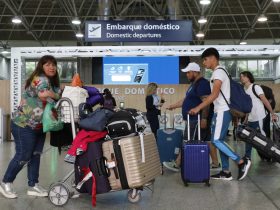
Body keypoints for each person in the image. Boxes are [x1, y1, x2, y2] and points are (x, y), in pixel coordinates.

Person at [0, 55, 61, 199]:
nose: (51, 67)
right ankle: (5, 182)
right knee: (24, 155)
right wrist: (56, 95)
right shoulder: (40, 78)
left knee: (35, 155)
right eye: (47, 64)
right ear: (41, 67)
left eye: (53, 64)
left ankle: (33, 185)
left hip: (39, 125)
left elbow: (53, 94)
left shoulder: (51, 83)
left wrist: (56, 93)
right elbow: (43, 94)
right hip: (24, 124)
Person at [189, 48, 251, 181]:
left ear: (213, 58)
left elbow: (214, 94)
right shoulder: (218, 72)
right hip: (220, 111)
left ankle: (241, 161)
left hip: (223, 110)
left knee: (216, 141)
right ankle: (226, 171)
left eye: (205, 59)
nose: (204, 63)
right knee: (219, 141)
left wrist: (198, 107)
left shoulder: (218, 72)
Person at [163, 62, 220, 172]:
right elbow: (185, 100)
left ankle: (177, 164)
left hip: (196, 119)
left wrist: (203, 118)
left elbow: (206, 102)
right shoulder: (194, 85)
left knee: (187, 141)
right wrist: (173, 106)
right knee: (207, 141)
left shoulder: (202, 84)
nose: (187, 75)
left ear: (195, 72)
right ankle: (216, 164)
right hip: (195, 119)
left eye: (188, 73)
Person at [239, 71, 277, 160]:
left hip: (259, 117)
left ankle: (270, 155)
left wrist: (272, 113)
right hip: (251, 119)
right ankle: (247, 156)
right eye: (240, 77)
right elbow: (249, 106)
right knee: (248, 137)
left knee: (263, 138)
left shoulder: (256, 87)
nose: (241, 78)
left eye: (243, 76)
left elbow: (265, 101)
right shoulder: (244, 90)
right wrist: (245, 120)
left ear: (248, 77)